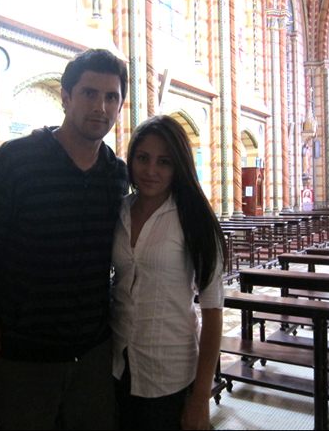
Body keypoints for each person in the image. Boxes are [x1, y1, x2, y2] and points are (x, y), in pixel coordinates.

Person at [0, 48, 129, 430]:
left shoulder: (116, 174)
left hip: (93, 356)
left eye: (111, 96)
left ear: (120, 105)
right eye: (89, 93)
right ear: (65, 97)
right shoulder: (15, 161)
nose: (100, 106)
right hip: (23, 356)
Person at [111, 115, 227, 430]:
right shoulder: (119, 211)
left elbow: (213, 312)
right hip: (118, 368)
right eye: (142, 158)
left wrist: (201, 396)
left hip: (170, 374)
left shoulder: (195, 220)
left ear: (178, 167)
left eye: (164, 161)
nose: (150, 170)